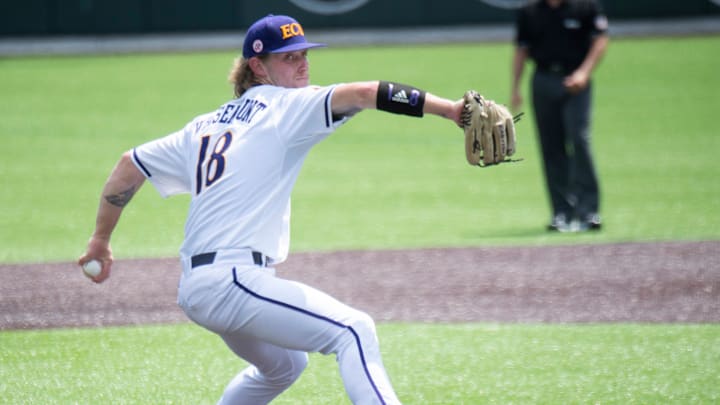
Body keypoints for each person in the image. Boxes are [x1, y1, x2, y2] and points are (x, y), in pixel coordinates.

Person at [78, 14, 468, 405]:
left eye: (303, 54)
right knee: (354, 330)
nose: (301, 64)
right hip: (232, 281)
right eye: (288, 57)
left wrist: (100, 240)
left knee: (286, 366)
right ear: (257, 66)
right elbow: (367, 92)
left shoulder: (203, 126)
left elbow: (131, 164)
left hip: (201, 287)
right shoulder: (286, 107)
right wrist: (449, 109)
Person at [510, 0, 609, 232]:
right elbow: (521, 49)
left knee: (579, 138)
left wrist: (584, 73)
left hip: (576, 80)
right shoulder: (530, 11)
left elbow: (600, 39)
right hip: (544, 79)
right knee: (550, 146)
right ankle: (561, 212)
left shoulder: (584, 7)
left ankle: (589, 210)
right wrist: (515, 87)